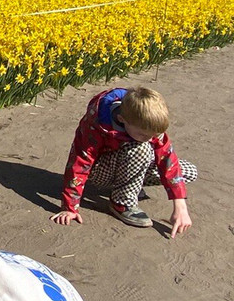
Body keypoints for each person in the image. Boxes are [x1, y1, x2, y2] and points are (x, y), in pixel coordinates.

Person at [50, 86, 197, 237]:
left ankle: (130, 186)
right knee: (141, 148)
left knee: (188, 171)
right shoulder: (97, 123)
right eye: (143, 134)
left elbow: (167, 160)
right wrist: (69, 208)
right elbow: (80, 163)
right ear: (121, 119)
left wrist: (180, 206)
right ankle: (121, 203)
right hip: (100, 171)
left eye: (154, 134)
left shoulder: (146, 123)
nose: (150, 138)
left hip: (127, 164)